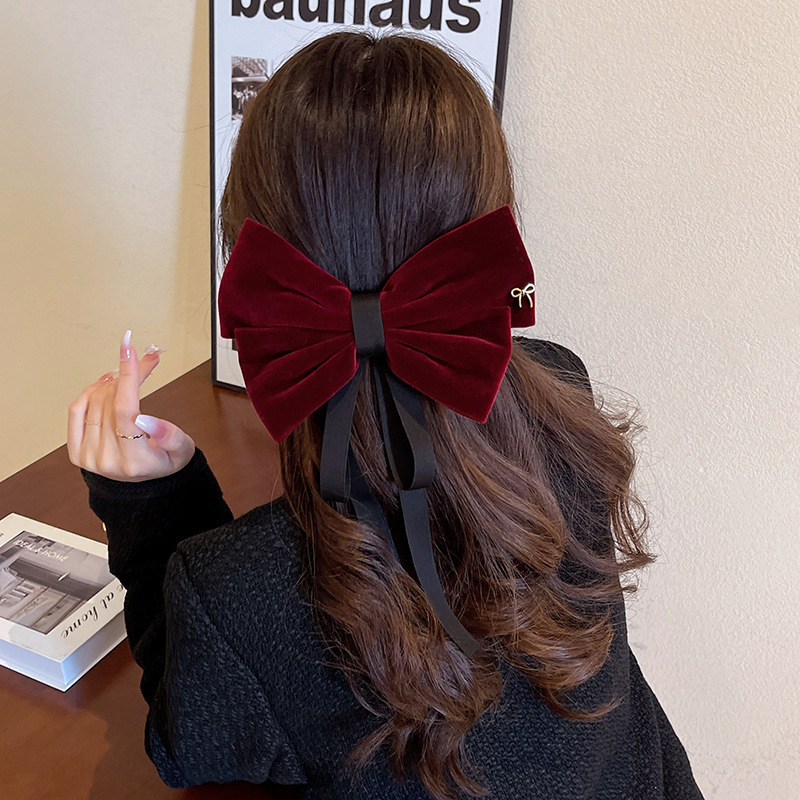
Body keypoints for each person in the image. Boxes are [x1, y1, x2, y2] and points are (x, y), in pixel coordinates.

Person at [67, 32, 704, 800]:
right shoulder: (564, 395)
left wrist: (151, 513)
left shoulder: (239, 591)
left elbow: (189, 744)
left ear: (255, 264)